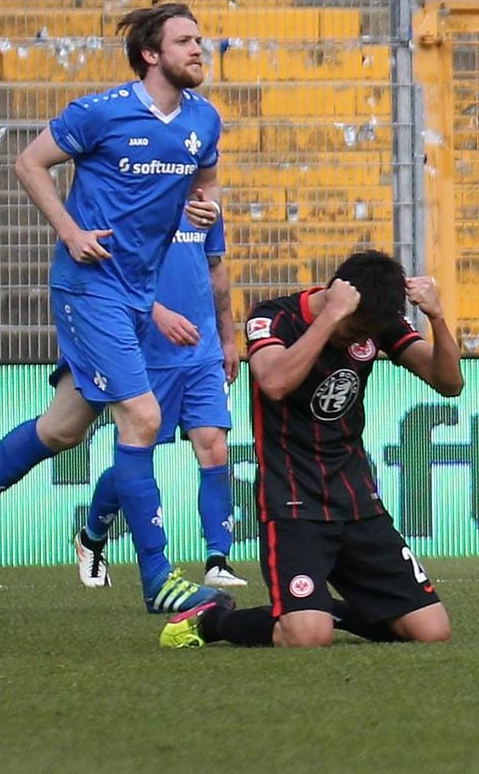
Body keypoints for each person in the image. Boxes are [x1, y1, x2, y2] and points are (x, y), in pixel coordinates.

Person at [0, 3, 229, 615]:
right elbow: (29, 163)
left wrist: (205, 208)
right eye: (185, 40)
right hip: (91, 288)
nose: (199, 48)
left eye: (200, 39)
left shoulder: (203, 121)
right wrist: (69, 230)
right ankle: (159, 578)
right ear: (150, 54)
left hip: (139, 293)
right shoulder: (102, 111)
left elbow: (206, 181)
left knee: (62, 428)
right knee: (141, 417)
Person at [160, 251, 462, 649]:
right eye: (354, 326)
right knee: (306, 637)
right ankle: (214, 620)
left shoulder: (372, 322)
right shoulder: (274, 317)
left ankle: (322, 608)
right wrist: (330, 317)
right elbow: (273, 382)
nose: (358, 338)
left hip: (356, 500)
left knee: (432, 631)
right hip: (292, 501)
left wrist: (438, 318)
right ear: (339, 295)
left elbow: (449, 382)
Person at [74, 205, 245, 590]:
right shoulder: (133, 202)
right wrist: (157, 313)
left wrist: (228, 338)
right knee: (137, 455)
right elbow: (111, 279)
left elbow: (216, 270)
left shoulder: (204, 206)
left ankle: (218, 560)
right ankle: (91, 538)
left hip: (202, 351)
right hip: (145, 351)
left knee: (214, 447)